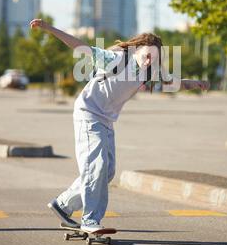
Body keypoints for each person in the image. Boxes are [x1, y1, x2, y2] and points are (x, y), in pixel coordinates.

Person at [29, 18, 209, 233]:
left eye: (155, 58)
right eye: (147, 55)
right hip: (88, 114)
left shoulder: (149, 71)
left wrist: (196, 84)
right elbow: (80, 46)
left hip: (105, 120)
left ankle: (63, 205)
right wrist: (49, 28)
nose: (149, 61)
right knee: (96, 166)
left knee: (108, 172)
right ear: (137, 50)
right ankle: (90, 220)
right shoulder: (115, 59)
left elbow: (174, 82)